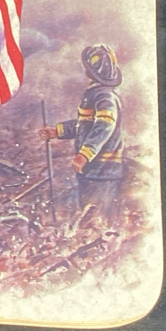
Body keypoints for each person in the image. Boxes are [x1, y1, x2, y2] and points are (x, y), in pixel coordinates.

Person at [40, 44, 124, 220]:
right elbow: (84, 125)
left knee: (96, 219)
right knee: (86, 216)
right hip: (92, 171)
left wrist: (85, 154)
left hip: (103, 172)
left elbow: (105, 125)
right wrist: (57, 131)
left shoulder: (104, 96)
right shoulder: (95, 93)